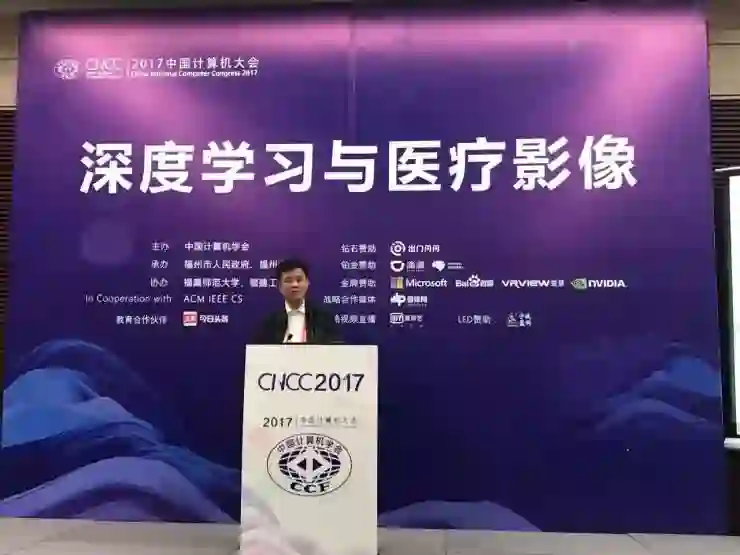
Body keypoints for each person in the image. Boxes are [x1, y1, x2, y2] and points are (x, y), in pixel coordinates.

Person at [253, 258, 341, 344]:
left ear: (307, 283)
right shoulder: (270, 323)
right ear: (279, 286)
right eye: (288, 281)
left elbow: (334, 349)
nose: (294, 285)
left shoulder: (323, 319)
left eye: (299, 280)